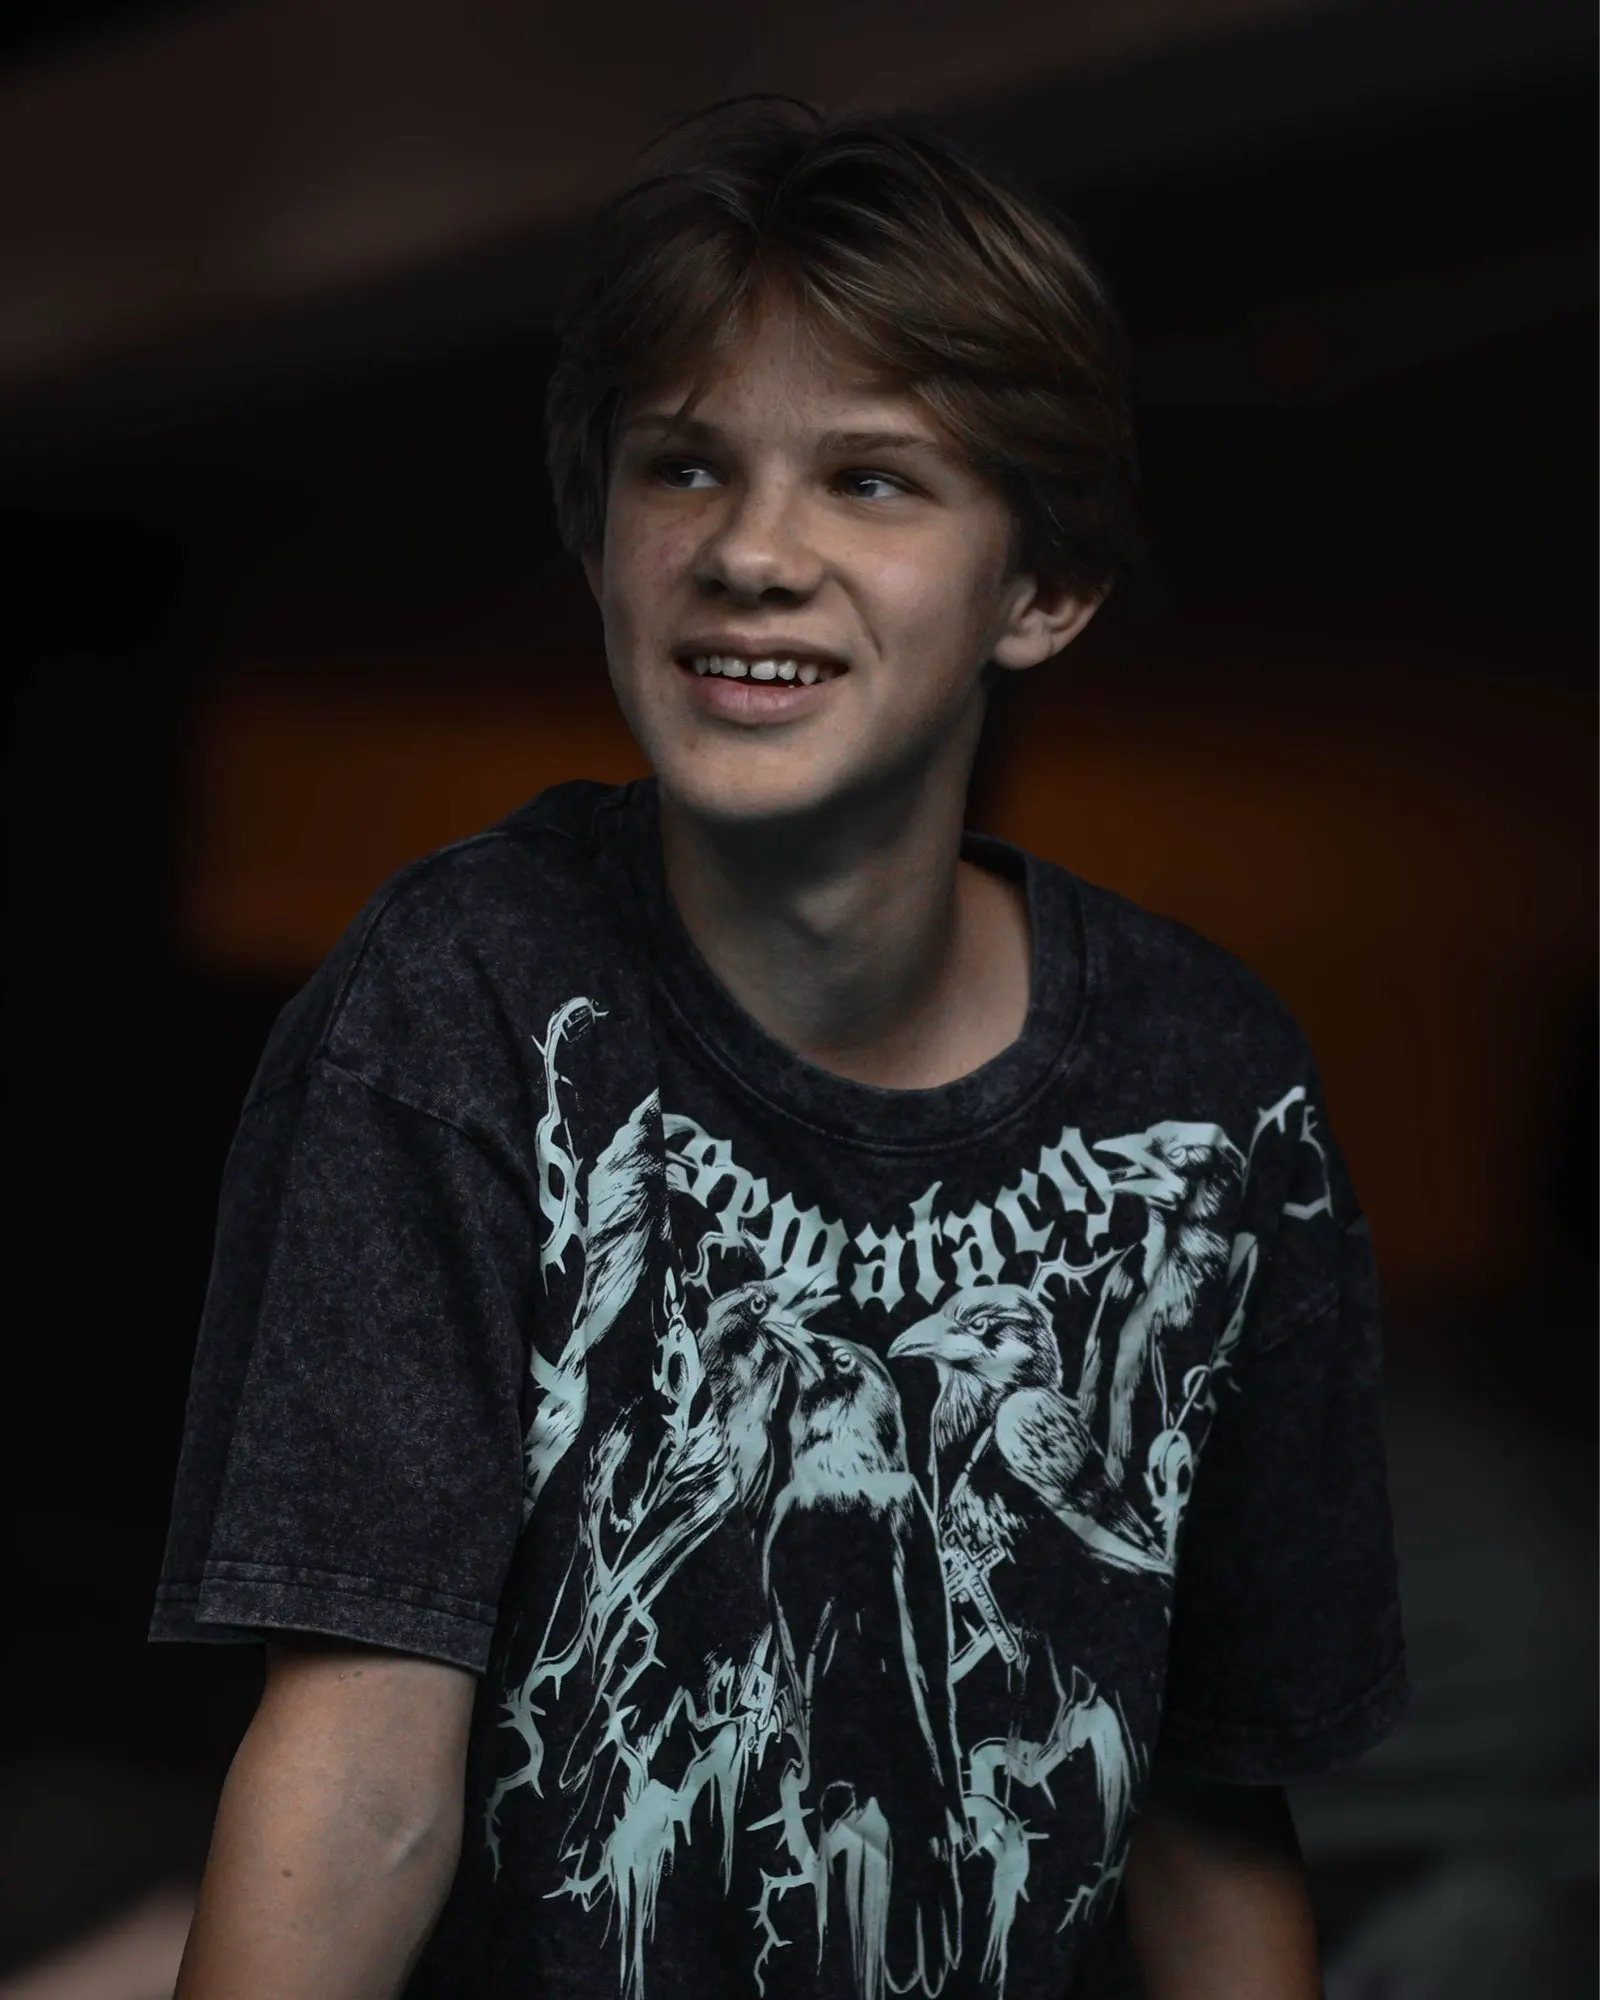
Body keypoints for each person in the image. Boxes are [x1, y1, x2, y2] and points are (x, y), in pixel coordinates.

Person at [151, 99, 1406, 1999]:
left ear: (1045, 589)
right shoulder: (466, 997)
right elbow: (361, 1782)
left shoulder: (1215, 1094)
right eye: (684, 465)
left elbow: (1209, 1815)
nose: (751, 550)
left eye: (873, 480)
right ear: (598, 535)